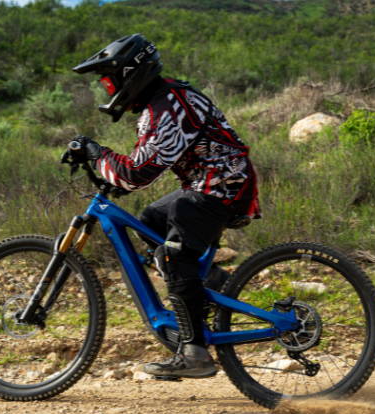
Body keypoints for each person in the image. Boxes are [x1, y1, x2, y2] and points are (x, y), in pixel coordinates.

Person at [66, 34, 260, 378]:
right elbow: (140, 166)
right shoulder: (164, 99)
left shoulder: (167, 107)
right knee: (152, 219)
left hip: (222, 185)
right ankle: (213, 286)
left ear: (130, 74)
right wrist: (112, 173)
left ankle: (195, 353)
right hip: (214, 183)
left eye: (110, 82)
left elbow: (136, 172)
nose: (109, 91)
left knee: (174, 252)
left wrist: (96, 152)